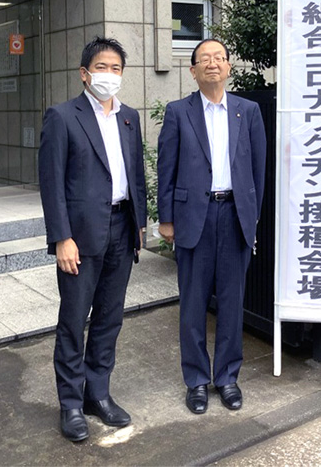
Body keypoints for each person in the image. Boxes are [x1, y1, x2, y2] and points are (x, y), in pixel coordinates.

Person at [39, 37, 147, 441]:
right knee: (73, 321)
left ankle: (97, 393)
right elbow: (51, 183)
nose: (109, 75)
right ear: (85, 73)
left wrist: (139, 225)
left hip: (122, 228)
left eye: (116, 68)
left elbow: (136, 176)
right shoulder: (63, 116)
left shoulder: (129, 118)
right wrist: (61, 238)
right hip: (80, 236)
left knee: (109, 318)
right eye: (102, 67)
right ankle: (70, 403)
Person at [157, 38, 266, 414]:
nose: (213, 63)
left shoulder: (248, 111)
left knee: (233, 302)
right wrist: (166, 219)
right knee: (193, 303)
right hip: (193, 218)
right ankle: (197, 380)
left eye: (219, 57)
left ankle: (227, 377)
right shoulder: (178, 112)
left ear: (229, 67)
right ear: (193, 70)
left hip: (234, 215)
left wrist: (251, 215)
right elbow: (166, 168)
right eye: (204, 58)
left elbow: (258, 169)